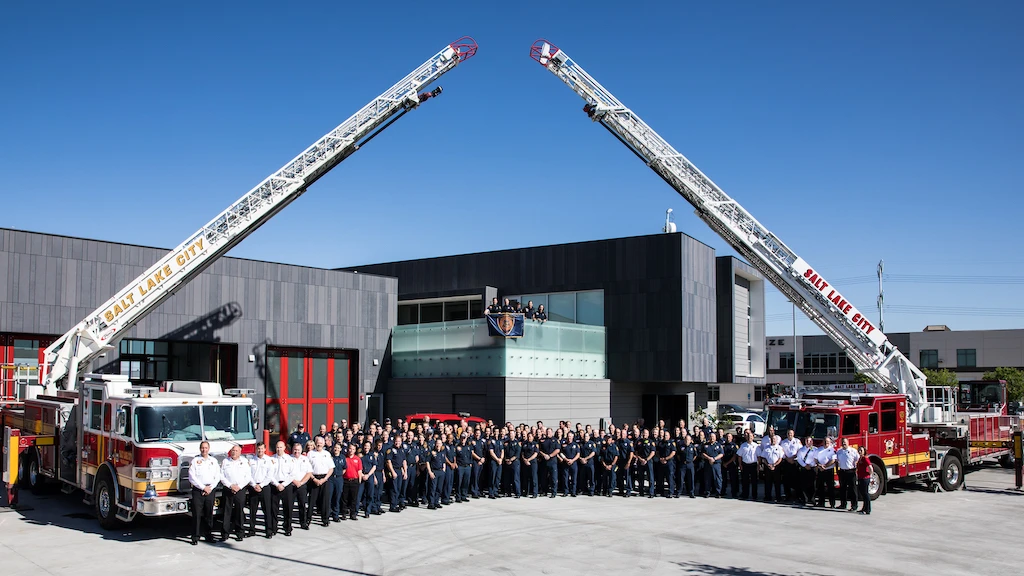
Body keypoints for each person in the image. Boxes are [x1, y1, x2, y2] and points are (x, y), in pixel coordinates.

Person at [187, 441, 221, 545]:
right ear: (200, 449)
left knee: (209, 514)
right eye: (202, 448)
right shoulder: (195, 461)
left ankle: (208, 535)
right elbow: (192, 477)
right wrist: (203, 487)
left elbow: (217, 476)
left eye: (206, 448)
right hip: (198, 490)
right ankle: (195, 537)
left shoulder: (213, 461)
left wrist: (210, 488)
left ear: (209, 449)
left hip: (210, 489)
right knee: (196, 514)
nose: (204, 450)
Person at [220, 444, 252, 541]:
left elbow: (248, 476)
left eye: (236, 450)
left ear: (240, 452)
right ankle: (225, 533)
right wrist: (230, 485)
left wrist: (239, 487)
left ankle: (240, 532)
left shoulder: (245, 461)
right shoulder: (225, 461)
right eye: (233, 450)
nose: (234, 452)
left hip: (240, 489)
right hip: (228, 488)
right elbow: (221, 475)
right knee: (226, 511)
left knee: (239, 511)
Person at [248, 441, 277, 539]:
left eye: (262, 449)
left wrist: (261, 485)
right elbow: (248, 475)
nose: (260, 450)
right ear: (256, 449)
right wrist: (254, 485)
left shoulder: (269, 460)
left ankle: (268, 531)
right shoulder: (251, 460)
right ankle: (252, 530)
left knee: (267, 510)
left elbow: (270, 475)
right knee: (253, 510)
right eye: (258, 449)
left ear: (265, 449)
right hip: (253, 488)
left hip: (264, 488)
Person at [307, 437, 335, 527]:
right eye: (317, 443)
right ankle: (308, 519)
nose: (319, 444)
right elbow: (307, 468)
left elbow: (331, 468)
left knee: (325, 500)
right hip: (313, 478)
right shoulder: (310, 454)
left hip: (324, 478)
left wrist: (325, 479)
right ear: (315, 444)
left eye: (321, 443)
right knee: (312, 500)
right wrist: (314, 479)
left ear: (324, 444)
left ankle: (325, 519)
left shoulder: (327, 454)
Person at [272, 441, 297, 536]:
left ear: (284, 448)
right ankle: (274, 527)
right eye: (277, 447)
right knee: (274, 508)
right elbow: (270, 474)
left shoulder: (289, 459)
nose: (279, 449)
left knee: (288, 508)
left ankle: (287, 527)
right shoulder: (271, 459)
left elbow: (292, 474)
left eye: (281, 447)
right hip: (275, 485)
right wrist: (276, 484)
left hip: (286, 486)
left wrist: (284, 484)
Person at [290, 442, 313, 529]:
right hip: (291, 485)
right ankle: (288, 523)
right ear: (292, 450)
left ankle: (303, 523)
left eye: (298, 450)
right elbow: (287, 473)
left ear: (301, 450)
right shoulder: (289, 459)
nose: (297, 451)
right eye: (295, 450)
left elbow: (309, 472)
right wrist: (295, 481)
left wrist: (301, 482)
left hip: (302, 485)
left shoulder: (305, 459)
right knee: (289, 505)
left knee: (302, 505)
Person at [835, 437, 859, 512]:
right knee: (842, 489)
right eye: (842, 442)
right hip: (842, 472)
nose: (843, 444)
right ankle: (843, 504)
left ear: (848, 443)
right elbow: (836, 461)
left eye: (845, 442)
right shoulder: (839, 451)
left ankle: (854, 505)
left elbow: (857, 459)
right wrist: (837, 471)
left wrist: (855, 469)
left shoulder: (853, 451)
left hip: (851, 472)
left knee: (852, 489)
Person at [341, 443, 363, 521]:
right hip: (345, 481)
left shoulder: (358, 459)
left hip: (354, 481)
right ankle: (343, 513)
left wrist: (359, 481)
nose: (351, 450)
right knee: (344, 498)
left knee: (354, 499)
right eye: (350, 448)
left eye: (353, 449)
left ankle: (353, 514)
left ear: (355, 450)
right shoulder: (344, 458)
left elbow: (359, 471)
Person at [386, 436, 408, 512]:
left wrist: (405, 472)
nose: (397, 443)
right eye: (396, 441)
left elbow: (404, 461)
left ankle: (396, 503)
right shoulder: (390, 450)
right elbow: (389, 462)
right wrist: (392, 472)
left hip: (400, 471)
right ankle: (393, 506)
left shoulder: (401, 450)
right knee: (394, 489)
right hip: (394, 471)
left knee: (398, 489)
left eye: (399, 441)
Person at [814, 437, 838, 508]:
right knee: (820, 487)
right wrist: (819, 465)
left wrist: (825, 466)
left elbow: (833, 460)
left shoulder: (832, 450)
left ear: (830, 442)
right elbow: (815, 459)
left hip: (829, 470)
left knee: (830, 487)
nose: (826, 443)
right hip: (820, 470)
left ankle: (832, 503)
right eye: (825, 441)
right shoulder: (819, 450)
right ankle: (821, 502)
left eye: (827, 442)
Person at [761, 435, 785, 503]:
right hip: (768, 466)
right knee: (768, 483)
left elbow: (780, 458)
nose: (773, 440)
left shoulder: (779, 448)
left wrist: (775, 464)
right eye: (772, 439)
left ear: (776, 440)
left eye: (774, 439)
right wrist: (768, 464)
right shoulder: (766, 448)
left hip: (777, 467)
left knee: (777, 483)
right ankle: (767, 497)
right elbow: (763, 457)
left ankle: (778, 497)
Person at [737, 431, 759, 500]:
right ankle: (745, 494)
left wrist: (759, 465)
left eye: (751, 437)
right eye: (748, 437)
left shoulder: (756, 446)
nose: (750, 438)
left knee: (754, 481)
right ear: (747, 437)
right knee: (745, 481)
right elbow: (739, 456)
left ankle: (754, 495)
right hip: (745, 465)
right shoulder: (743, 445)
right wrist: (740, 464)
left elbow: (759, 456)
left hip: (753, 465)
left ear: (753, 437)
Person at [795, 436, 817, 506]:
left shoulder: (815, 449)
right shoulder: (801, 450)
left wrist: (811, 465)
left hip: (812, 468)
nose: (808, 442)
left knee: (813, 484)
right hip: (804, 468)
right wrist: (805, 465)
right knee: (804, 484)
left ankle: (812, 499)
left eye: (810, 441)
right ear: (805, 442)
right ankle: (805, 499)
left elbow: (816, 458)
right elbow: (799, 459)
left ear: (812, 442)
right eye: (807, 441)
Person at [702, 433, 724, 498]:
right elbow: (702, 453)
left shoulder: (719, 445)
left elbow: (721, 454)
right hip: (708, 464)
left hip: (716, 464)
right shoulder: (705, 445)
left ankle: (718, 492)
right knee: (707, 479)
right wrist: (709, 458)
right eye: (711, 437)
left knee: (717, 479)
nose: (712, 438)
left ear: (715, 437)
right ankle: (707, 492)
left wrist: (714, 459)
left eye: (713, 437)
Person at [329, 442, 347, 521]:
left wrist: (339, 474)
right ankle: (328, 513)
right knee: (329, 496)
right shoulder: (330, 457)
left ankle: (335, 514)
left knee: (337, 496)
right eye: (335, 447)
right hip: (330, 478)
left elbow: (344, 468)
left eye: (338, 448)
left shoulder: (342, 457)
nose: (336, 449)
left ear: (340, 449)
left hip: (339, 478)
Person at [540, 428, 560, 497]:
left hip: (552, 461)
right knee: (544, 478)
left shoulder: (555, 440)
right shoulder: (543, 440)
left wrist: (550, 455)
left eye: (549, 432)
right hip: (544, 462)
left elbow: (557, 450)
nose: (548, 433)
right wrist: (544, 455)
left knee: (553, 478)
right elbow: (539, 450)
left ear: (552, 432)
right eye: (547, 432)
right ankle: (544, 491)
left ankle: (553, 492)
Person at [427, 438, 446, 509]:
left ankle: (436, 502)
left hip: (441, 472)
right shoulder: (431, 452)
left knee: (439, 488)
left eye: (440, 443)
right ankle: (431, 503)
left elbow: (444, 462)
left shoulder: (442, 452)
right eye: (437, 443)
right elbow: (427, 462)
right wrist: (430, 472)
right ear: (435, 444)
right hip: (434, 471)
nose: (438, 445)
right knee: (432, 488)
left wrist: (444, 470)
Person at [456, 434, 474, 502]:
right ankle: (458, 497)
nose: (463, 439)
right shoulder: (457, 446)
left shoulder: (468, 446)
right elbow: (455, 456)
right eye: (462, 438)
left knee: (466, 482)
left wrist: (470, 463)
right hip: (460, 466)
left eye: (464, 438)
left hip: (467, 466)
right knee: (459, 482)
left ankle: (464, 495)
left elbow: (470, 455)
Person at [504, 431, 522, 498]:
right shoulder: (506, 443)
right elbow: (505, 452)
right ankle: (508, 492)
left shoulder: (517, 443)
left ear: (514, 435)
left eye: (512, 434)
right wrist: (506, 459)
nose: (511, 435)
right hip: (507, 462)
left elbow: (517, 453)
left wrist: (511, 460)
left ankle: (517, 493)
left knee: (516, 478)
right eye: (510, 434)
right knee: (507, 478)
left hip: (515, 462)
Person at [521, 432, 539, 498]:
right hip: (525, 462)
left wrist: (528, 460)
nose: (529, 438)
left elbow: (536, 453)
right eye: (528, 436)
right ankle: (526, 492)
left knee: (534, 477)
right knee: (526, 478)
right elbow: (522, 453)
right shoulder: (524, 444)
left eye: (530, 436)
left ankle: (535, 493)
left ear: (533, 437)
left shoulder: (535, 444)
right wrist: (525, 460)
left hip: (533, 462)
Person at [487, 431, 505, 499]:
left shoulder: (500, 441)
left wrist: (501, 459)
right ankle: (491, 493)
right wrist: (497, 459)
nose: (496, 433)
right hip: (494, 461)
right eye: (495, 432)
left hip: (500, 461)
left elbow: (502, 451)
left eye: (498, 432)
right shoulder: (491, 441)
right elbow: (491, 452)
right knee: (492, 477)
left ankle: (496, 491)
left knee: (498, 477)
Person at [722, 432, 740, 498]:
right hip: (723, 464)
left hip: (732, 464)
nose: (728, 438)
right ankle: (722, 492)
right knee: (723, 479)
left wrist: (727, 463)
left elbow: (735, 456)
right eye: (727, 437)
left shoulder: (735, 445)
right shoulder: (723, 445)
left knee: (733, 480)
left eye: (729, 436)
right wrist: (723, 463)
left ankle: (734, 493)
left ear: (732, 438)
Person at [855, 446, 872, 515]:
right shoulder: (860, 459)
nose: (859, 452)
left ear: (864, 451)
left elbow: (870, 467)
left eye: (861, 450)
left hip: (865, 478)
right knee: (863, 494)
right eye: (859, 450)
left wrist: (870, 476)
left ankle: (867, 509)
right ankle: (864, 508)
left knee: (865, 494)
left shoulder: (865, 458)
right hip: (861, 478)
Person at [470, 428, 486, 498]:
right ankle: (474, 492)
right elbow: (472, 452)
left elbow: (485, 451)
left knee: (480, 477)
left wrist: (483, 459)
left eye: (478, 433)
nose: (477, 434)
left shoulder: (482, 441)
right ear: (474, 434)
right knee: (475, 477)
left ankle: (479, 491)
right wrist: (479, 459)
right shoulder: (472, 441)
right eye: (476, 433)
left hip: (482, 462)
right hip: (475, 462)